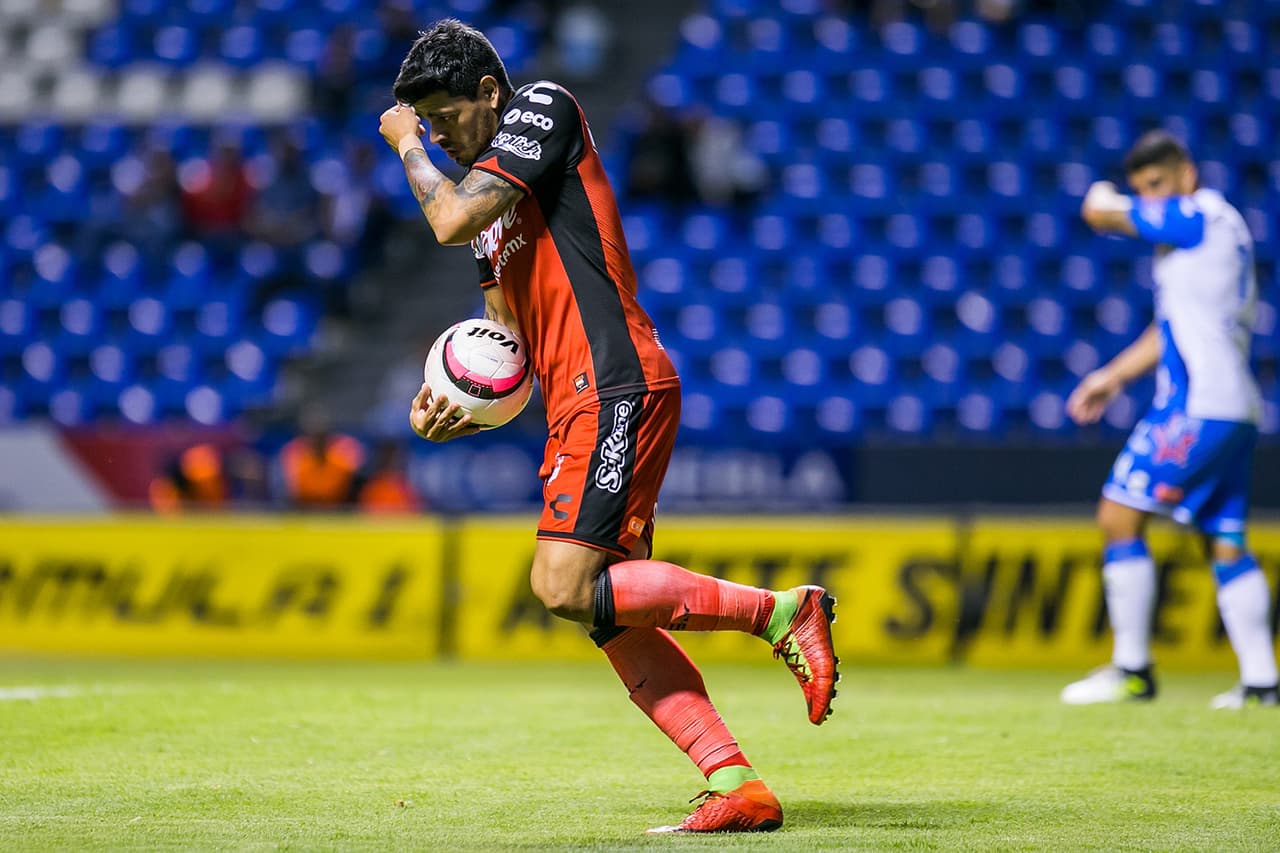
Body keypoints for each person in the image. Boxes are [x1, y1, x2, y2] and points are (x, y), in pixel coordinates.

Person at [377, 19, 839, 833]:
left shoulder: (543, 109)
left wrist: (406, 144)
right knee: (607, 611)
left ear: (490, 95)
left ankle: (779, 611)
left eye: (447, 117)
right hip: (574, 403)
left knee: (559, 585)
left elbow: (443, 217)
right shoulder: (491, 217)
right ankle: (737, 782)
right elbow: (506, 347)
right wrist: (463, 407)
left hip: (616, 381)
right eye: (430, 125)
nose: (441, 136)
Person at [1061, 130, 1277, 709]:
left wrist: (1104, 195)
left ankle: (1132, 669)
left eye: (1156, 185)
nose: (1151, 198)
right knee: (1224, 538)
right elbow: (1173, 330)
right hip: (1236, 407)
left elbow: (1100, 211)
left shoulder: (1201, 215)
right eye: (1143, 189)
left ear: (1186, 173)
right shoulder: (1205, 243)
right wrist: (1111, 376)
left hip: (1197, 405)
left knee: (1117, 514)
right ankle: (1262, 682)